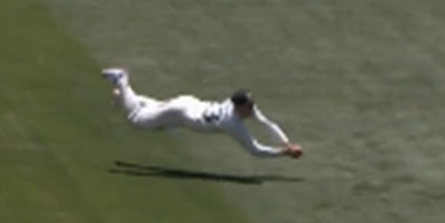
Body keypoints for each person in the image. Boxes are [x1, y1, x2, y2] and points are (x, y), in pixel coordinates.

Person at [102, 68, 303, 159]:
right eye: (249, 107)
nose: (252, 110)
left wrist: (287, 143)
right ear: (239, 107)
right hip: (181, 113)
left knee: (154, 107)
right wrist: (283, 153)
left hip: (188, 103)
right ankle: (121, 80)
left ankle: (123, 95)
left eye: (252, 105)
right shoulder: (232, 124)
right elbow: (255, 150)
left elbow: (267, 124)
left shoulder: (240, 107)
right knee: (136, 120)